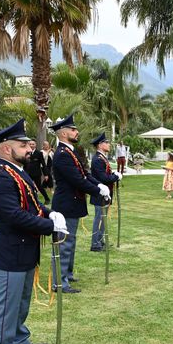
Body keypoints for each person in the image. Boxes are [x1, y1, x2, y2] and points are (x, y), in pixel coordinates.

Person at [0, 118, 68, 344]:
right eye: (22, 145)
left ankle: (19, 341)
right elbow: (14, 216)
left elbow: (33, 204)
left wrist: (50, 213)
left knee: (20, 304)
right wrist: (48, 226)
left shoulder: (17, 171)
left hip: (25, 250)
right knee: (6, 308)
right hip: (11, 252)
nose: (29, 147)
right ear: (7, 149)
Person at [50, 115, 110, 292]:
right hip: (66, 204)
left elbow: (85, 174)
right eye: (73, 129)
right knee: (64, 244)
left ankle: (67, 275)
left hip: (73, 203)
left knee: (71, 242)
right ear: (63, 133)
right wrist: (97, 190)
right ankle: (59, 282)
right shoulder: (62, 154)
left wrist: (98, 184)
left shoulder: (70, 151)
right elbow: (77, 180)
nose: (77, 132)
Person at [90, 133, 122, 251]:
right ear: (100, 145)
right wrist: (116, 177)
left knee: (102, 219)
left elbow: (106, 175)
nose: (109, 145)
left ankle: (99, 240)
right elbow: (104, 178)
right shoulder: (98, 159)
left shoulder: (102, 158)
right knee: (99, 219)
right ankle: (95, 244)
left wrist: (114, 175)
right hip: (100, 194)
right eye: (107, 142)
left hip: (105, 195)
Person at [24, 140, 50, 204]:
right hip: (27, 173)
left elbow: (43, 164)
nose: (31, 145)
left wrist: (46, 174)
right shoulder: (25, 152)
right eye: (30, 144)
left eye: (33, 144)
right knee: (27, 187)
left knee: (39, 186)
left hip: (36, 173)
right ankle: (31, 200)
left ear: (35, 145)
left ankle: (47, 199)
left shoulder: (39, 153)